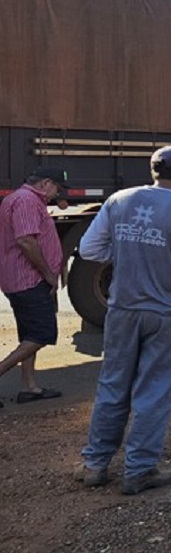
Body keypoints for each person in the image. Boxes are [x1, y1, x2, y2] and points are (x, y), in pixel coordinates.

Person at [76, 146, 171, 495]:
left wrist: (128, 252)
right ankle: (138, 469)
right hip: (166, 313)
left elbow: (88, 249)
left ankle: (95, 465)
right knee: (153, 391)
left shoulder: (118, 200)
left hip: (122, 309)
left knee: (112, 384)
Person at [0, 167, 70, 406]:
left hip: (23, 279)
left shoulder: (22, 199)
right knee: (41, 334)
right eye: (56, 188)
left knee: (30, 333)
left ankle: (30, 386)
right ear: (45, 183)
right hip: (28, 280)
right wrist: (49, 274)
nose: (56, 194)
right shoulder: (27, 201)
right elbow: (26, 241)